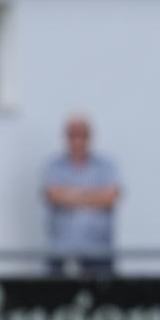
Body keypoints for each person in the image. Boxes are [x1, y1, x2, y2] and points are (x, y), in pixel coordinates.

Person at [43, 115, 121, 277]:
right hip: (61, 251)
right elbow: (53, 196)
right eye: (73, 135)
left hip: (99, 251)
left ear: (89, 137)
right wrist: (93, 196)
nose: (77, 140)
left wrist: (70, 195)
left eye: (82, 135)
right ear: (66, 137)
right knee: (55, 296)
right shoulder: (53, 166)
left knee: (104, 297)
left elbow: (110, 197)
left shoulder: (105, 166)